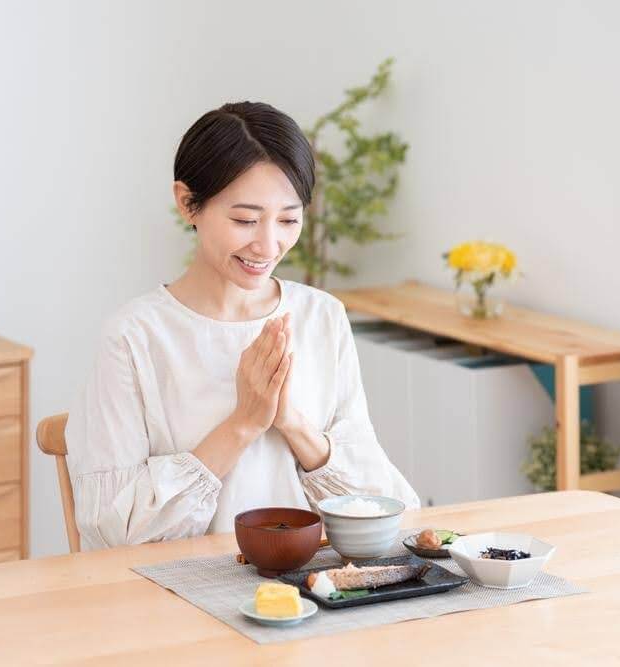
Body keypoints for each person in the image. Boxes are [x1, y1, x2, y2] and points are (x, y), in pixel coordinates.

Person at [64, 101, 419, 551]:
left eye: (289, 220)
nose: (269, 244)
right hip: (175, 598)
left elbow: (385, 506)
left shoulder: (322, 317)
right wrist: (244, 423)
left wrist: (293, 424)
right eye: (245, 220)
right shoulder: (135, 337)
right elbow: (114, 530)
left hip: (312, 594)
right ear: (188, 203)